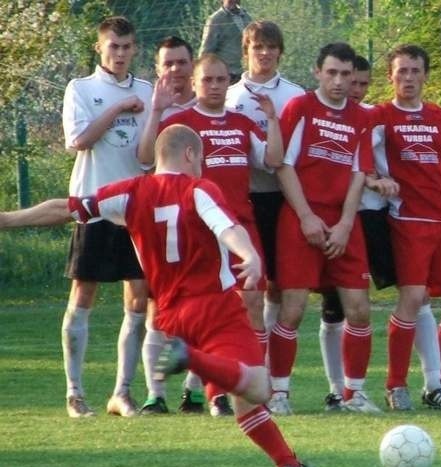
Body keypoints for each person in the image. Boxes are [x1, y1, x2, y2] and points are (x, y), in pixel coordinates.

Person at [0, 125, 315, 467]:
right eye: (202, 159)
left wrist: (7, 219)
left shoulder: (130, 193)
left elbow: (64, 208)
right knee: (258, 388)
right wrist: (250, 255)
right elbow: (227, 227)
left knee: (243, 398)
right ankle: (191, 359)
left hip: (169, 318)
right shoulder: (199, 188)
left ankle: (289, 464)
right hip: (215, 308)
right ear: (190, 154)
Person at [318, 54, 441, 411]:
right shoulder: (326, 117)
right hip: (337, 219)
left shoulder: (375, 118)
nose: (355, 89)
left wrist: (381, 183)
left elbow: (383, 164)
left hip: (376, 220)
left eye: (361, 83)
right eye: (349, 81)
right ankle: (337, 389)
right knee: (335, 308)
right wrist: (375, 181)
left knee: (416, 296)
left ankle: (434, 383)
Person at [156, 53, 283, 416]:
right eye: (207, 80)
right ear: (194, 83)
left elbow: (273, 161)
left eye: (221, 80)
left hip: (241, 226)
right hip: (199, 231)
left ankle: (254, 383)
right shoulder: (181, 123)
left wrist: (272, 119)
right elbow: (152, 159)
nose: (214, 86)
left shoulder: (242, 123)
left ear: (230, 83)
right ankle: (215, 393)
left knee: (253, 304)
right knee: (210, 309)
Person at [268, 43, 388, 415]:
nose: (339, 81)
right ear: (317, 72)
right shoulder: (300, 107)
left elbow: (358, 172)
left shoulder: (360, 117)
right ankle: (279, 394)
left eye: (345, 74)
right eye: (332, 72)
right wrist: (305, 216)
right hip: (300, 217)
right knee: (293, 308)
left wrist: (345, 225)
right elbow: (283, 165)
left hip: (342, 222)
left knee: (359, 309)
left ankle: (354, 394)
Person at [371, 44, 441, 411]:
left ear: (425, 75)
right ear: (390, 76)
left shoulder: (439, 116)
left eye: (415, 71)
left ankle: (437, 383)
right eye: (401, 71)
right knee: (413, 298)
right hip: (409, 221)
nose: (408, 78)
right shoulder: (380, 116)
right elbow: (360, 162)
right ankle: (395, 385)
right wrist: (376, 181)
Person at [60, 16, 152, 418]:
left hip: (134, 211)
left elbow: (148, 156)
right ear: (100, 48)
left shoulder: (149, 91)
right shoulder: (81, 89)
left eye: (127, 46)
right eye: (113, 46)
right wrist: (116, 109)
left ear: (135, 49)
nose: (120, 53)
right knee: (83, 295)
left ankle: (122, 392)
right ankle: (75, 393)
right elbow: (78, 141)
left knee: (138, 300)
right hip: (93, 207)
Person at [136, 36, 207, 417]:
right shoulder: (155, 107)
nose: (176, 70)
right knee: (157, 309)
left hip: (204, 222)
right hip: (160, 224)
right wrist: (157, 111)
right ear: (159, 67)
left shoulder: (211, 107)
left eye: (182, 63)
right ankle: (154, 394)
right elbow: (145, 158)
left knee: (201, 308)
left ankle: (193, 391)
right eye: (169, 64)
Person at [225, 21, 305, 335]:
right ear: (246, 50)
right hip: (241, 198)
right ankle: (244, 350)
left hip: (281, 198)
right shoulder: (230, 96)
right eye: (258, 46)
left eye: (271, 47)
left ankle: (268, 355)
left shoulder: (294, 94)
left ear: (280, 52)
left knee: (277, 283)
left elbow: (297, 153)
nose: (265, 53)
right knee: (245, 285)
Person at [198, 0, 252, 84]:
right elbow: (206, 50)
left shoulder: (246, 17)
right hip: (228, 75)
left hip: (246, 73)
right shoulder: (216, 19)